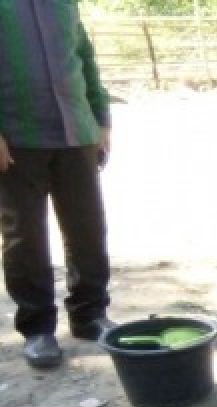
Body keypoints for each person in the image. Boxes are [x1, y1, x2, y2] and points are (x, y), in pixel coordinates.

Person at [0, 1, 116, 369]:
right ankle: (37, 329)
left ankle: (89, 314)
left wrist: (101, 117)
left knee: (88, 229)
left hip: (76, 131)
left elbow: (84, 55)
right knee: (25, 235)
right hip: (18, 138)